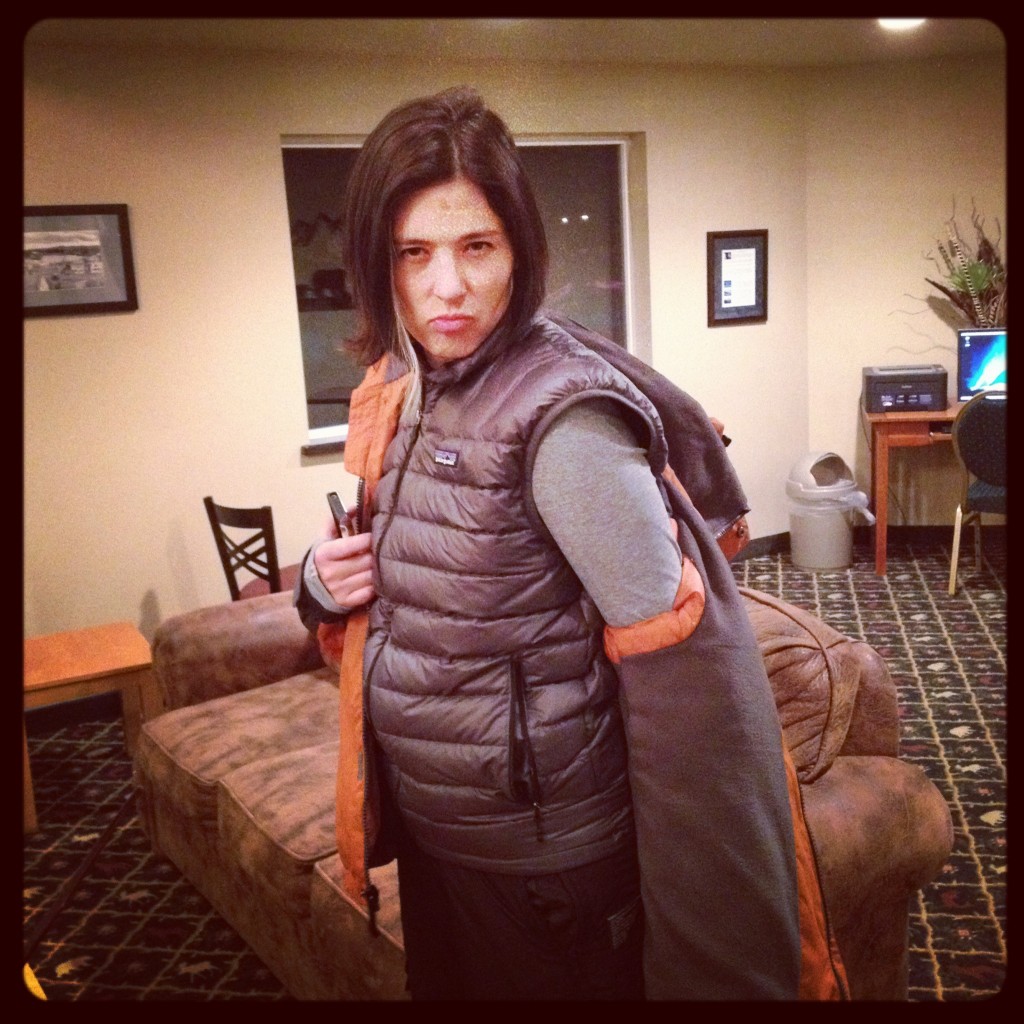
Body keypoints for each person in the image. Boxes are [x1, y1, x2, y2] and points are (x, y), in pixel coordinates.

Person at [295, 85, 847, 1001]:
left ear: (518, 250)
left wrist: (715, 954)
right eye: (413, 253)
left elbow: (692, 696)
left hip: (546, 867)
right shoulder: (407, 381)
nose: (447, 287)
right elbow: (427, 592)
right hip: (443, 836)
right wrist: (320, 582)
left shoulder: (566, 428)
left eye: (477, 247)